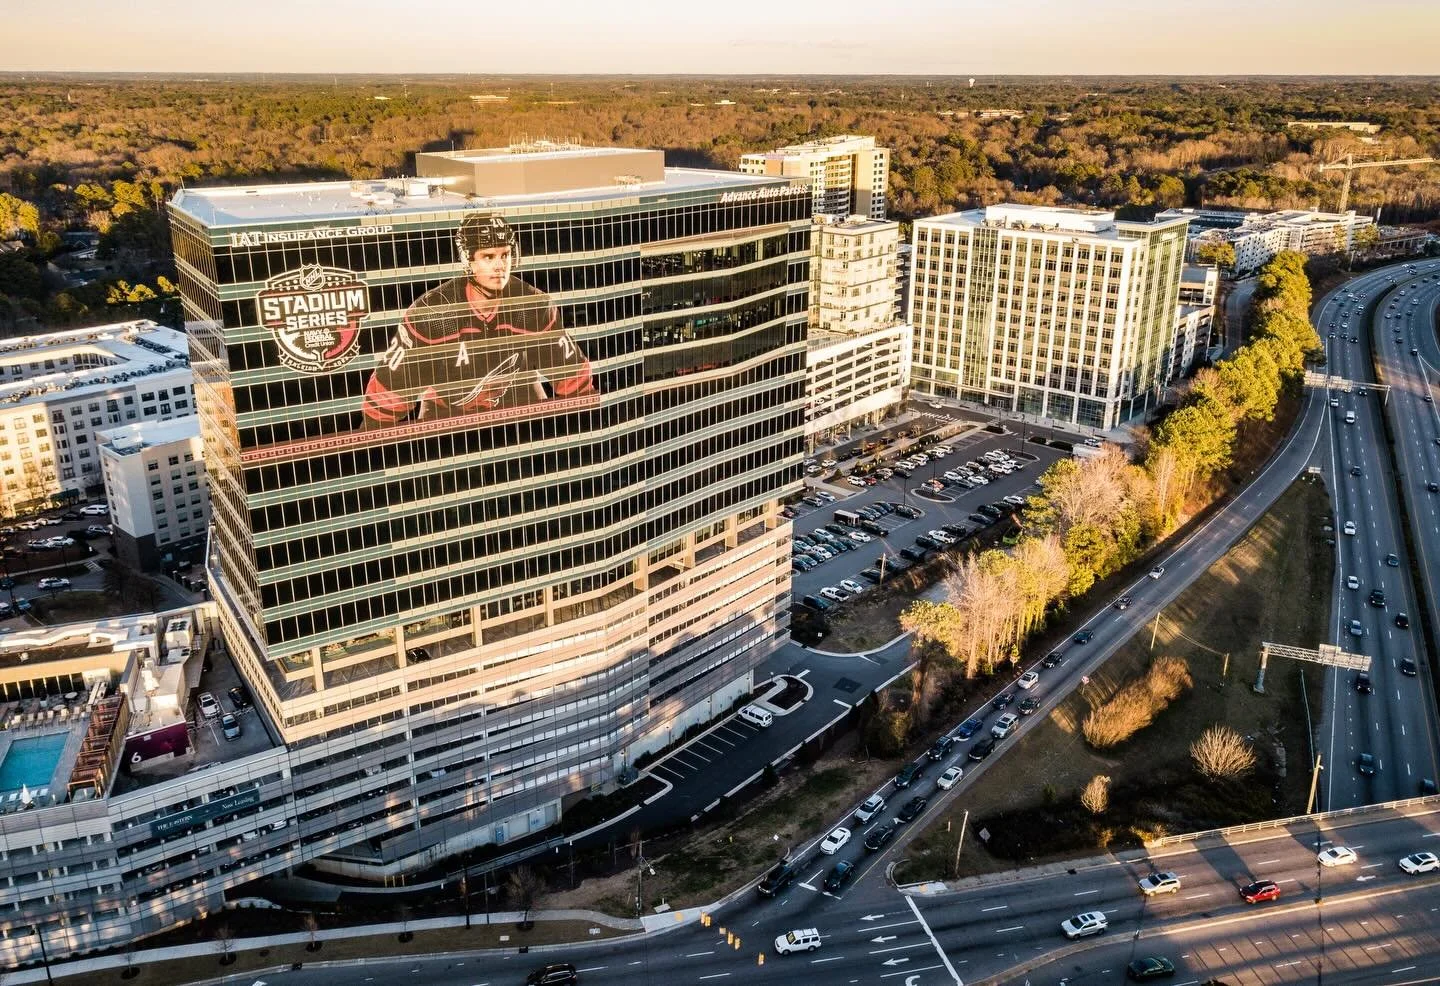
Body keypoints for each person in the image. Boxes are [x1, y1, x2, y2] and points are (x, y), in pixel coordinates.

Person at [360, 213, 595, 429]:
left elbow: (575, 381)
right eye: (488, 256)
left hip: (517, 396)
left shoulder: (532, 305)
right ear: (467, 261)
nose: (500, 266)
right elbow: (386, 396)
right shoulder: (433, 313)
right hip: (448, 411)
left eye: (505, 255)